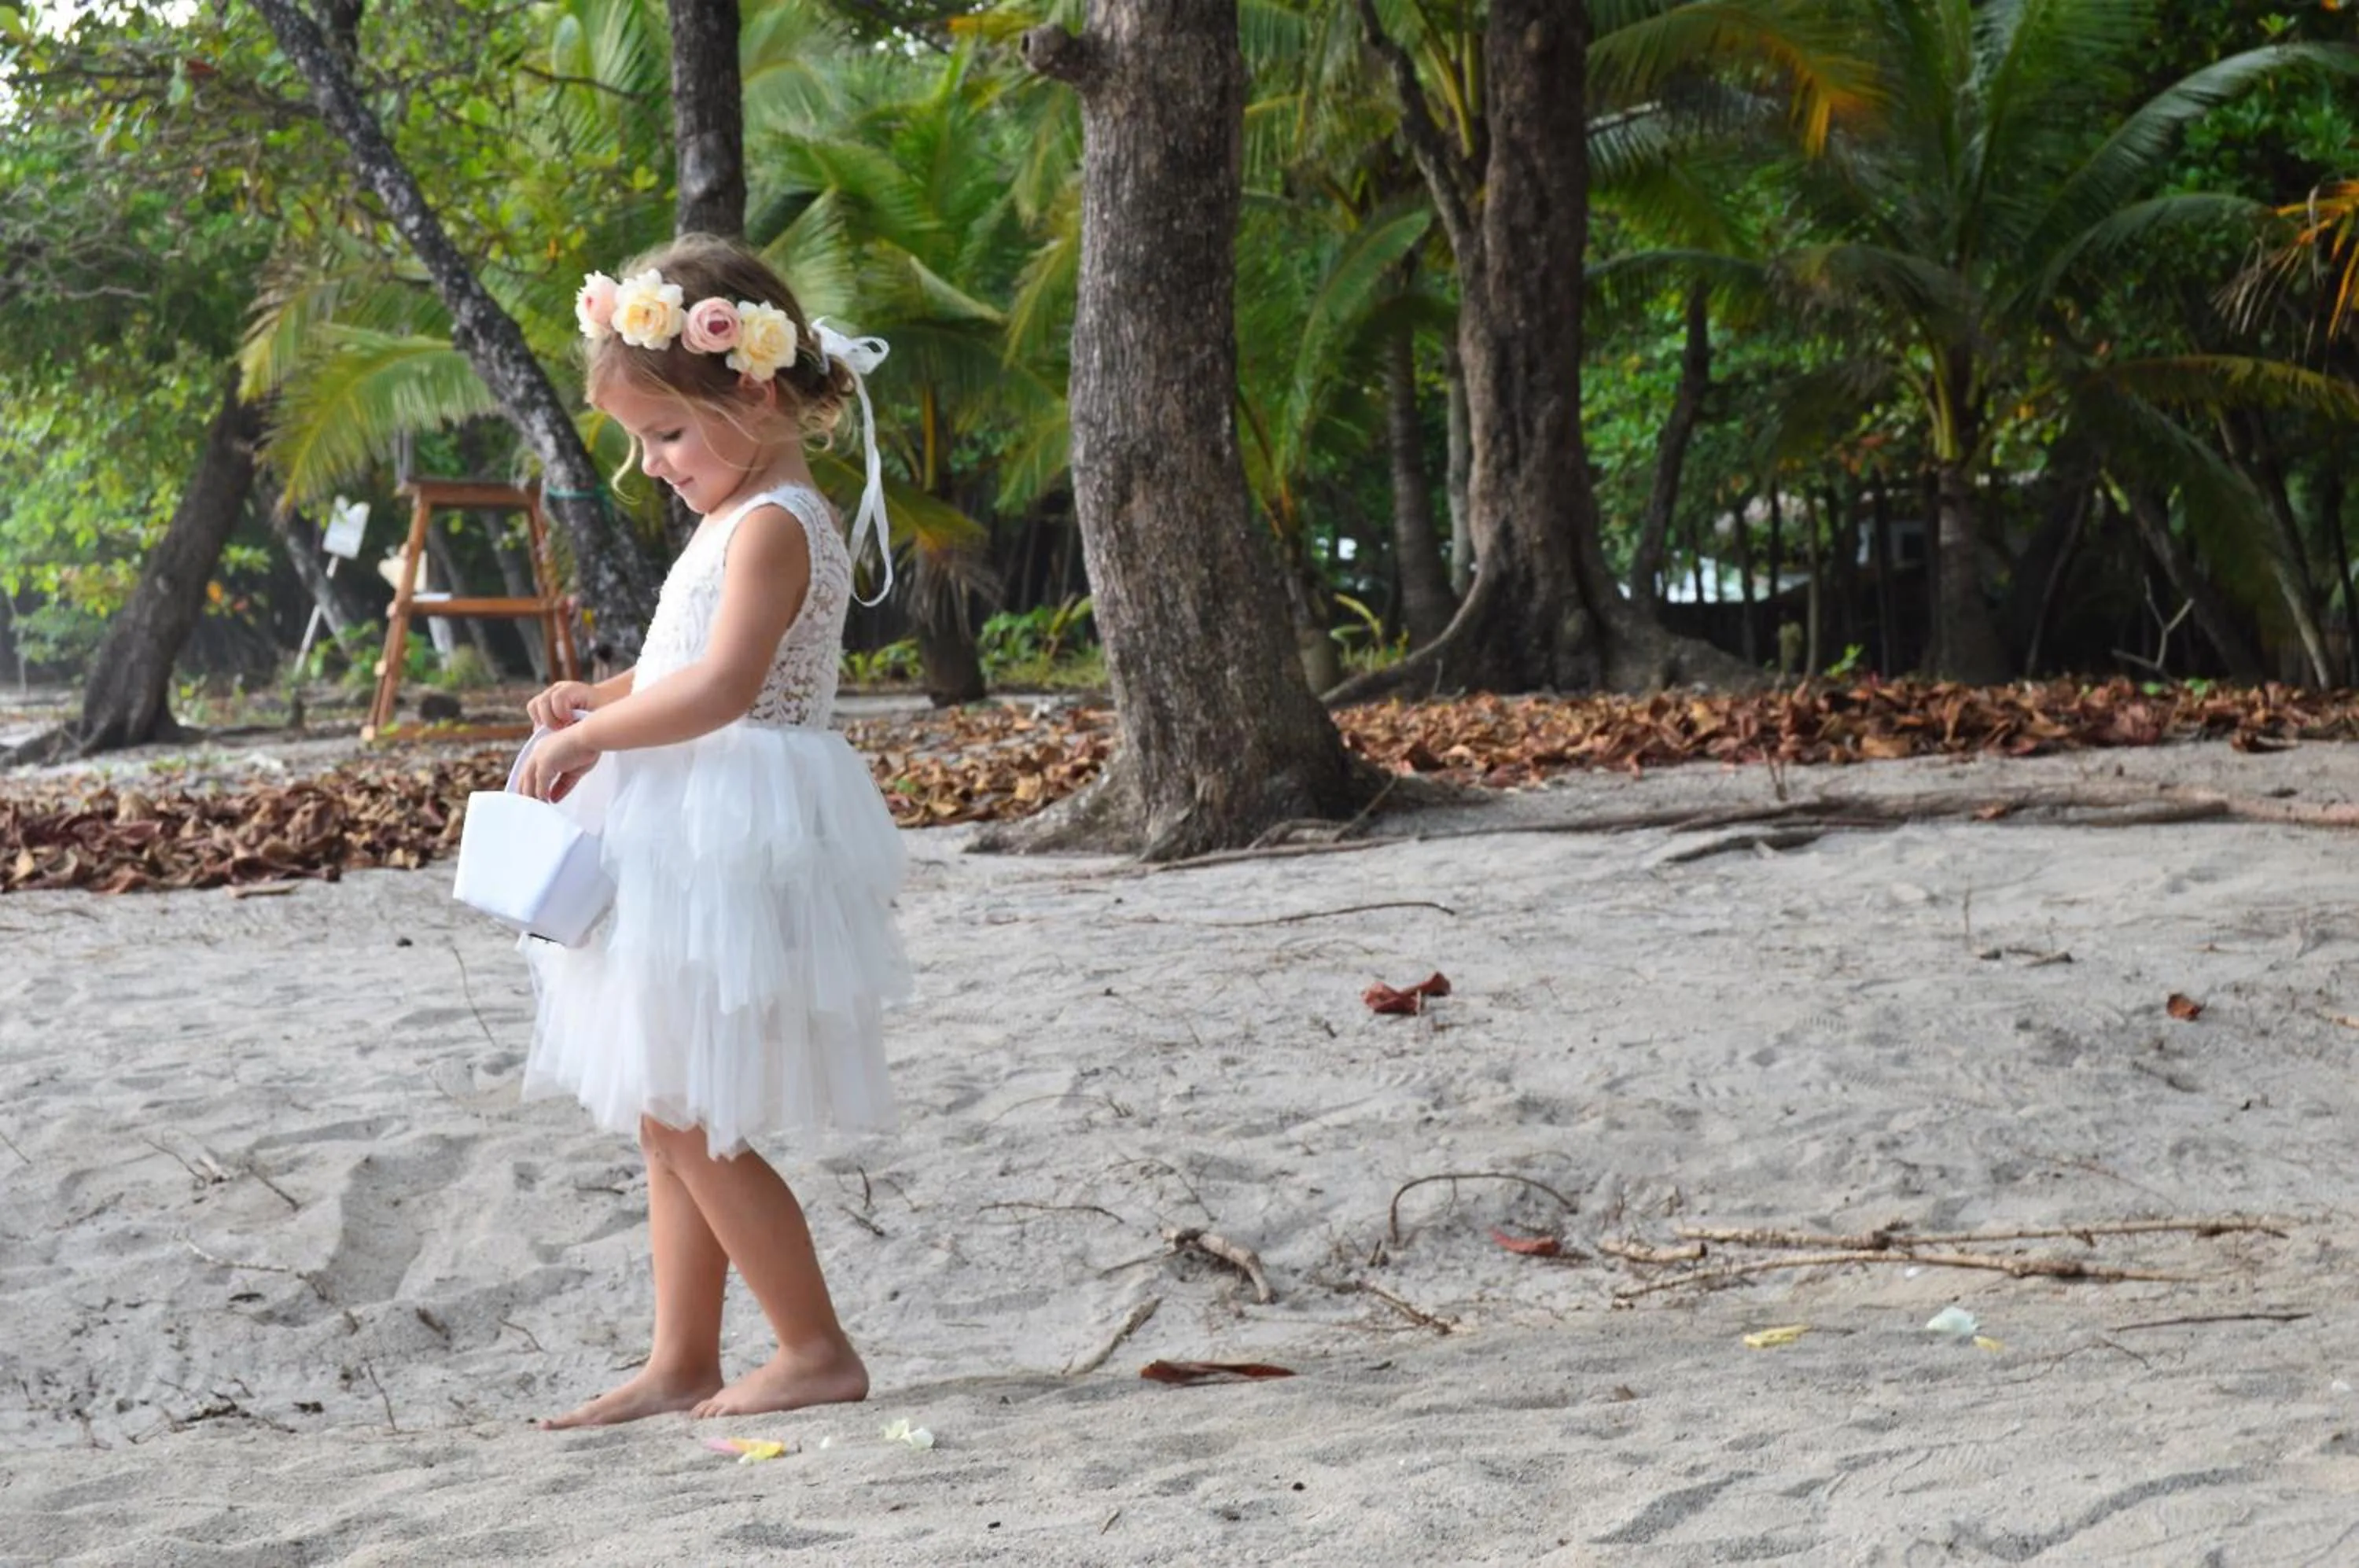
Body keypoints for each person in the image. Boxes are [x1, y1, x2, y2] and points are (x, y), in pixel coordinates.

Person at [512, 234, 910, 1428]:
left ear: (754, 383)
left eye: (668, 435)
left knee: (690, 1107)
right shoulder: (738, 512)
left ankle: (814, 1344)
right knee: (660, 1100)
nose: (652, 464)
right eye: (639, 443)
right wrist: (606, 695)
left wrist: (595, 741)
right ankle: (682, 1354)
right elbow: (683, 663)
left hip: (730, 829)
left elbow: (731, 684)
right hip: (690, 815)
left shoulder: (780, 520)